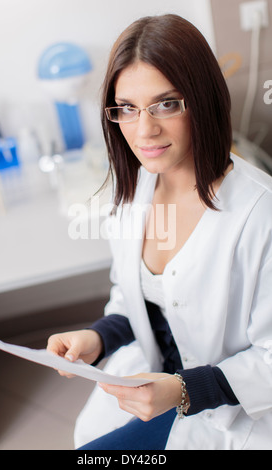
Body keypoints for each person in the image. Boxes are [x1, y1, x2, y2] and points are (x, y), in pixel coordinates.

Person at [47, 14, 272, 450]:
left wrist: (184, 389)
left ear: (202, 100)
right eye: (127, 108)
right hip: (152, 383)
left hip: (230, 409)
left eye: (166, 104)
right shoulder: (138, 188)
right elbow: (135, 297)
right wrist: (97, 338)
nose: (144, 129)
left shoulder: (260, 214)